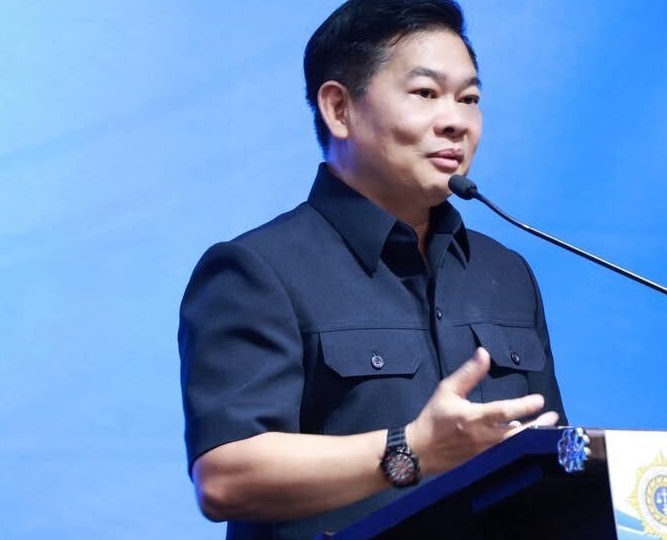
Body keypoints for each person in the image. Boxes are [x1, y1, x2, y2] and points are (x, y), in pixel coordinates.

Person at [177, 1, 568, 538]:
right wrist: (413, 450)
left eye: (470, 99)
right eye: (426, 93)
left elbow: (552, 461)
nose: (456, 121)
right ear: (339, 109)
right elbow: (226, 478)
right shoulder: (257, 270)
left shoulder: (506, 274)